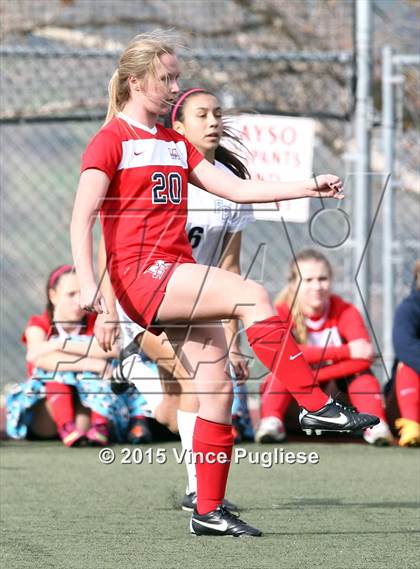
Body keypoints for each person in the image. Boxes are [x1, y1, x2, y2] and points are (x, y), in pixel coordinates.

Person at [70, 32, 379, 537]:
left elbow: (235, 188)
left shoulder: (172, 143)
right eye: (165, 78)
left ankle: (207, 511)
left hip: (173, 271)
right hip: (141, 276)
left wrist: (308, 184)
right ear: (134, 81)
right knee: (251, 294)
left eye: (176, 77)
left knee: (217, 392)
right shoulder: (111, 141)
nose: (174, 87)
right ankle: (317, 406)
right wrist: (91, 289)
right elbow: (80, 219)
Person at [95, 87, 255, 515]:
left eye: (217, 113)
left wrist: (235, 341)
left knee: (172, 410)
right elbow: (116, 245)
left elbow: (230, 271)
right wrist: (108, 311)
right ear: (178, 128)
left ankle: (134, 373)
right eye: (202, 114)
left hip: (196, 306)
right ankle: (197, 492)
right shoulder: (159, 172)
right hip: (146, 303)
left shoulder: (228, 187)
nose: (214, 121)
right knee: (198, 385)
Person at [256, 249, 393, 445]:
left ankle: (375, 426)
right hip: (298, 406)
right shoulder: (281, 311)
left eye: (323, 279)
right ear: (293, 284)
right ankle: (271, 423)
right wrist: (346, 351)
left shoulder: (345, 311)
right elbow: (282, 355)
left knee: (361, 373)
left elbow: (364, 357)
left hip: (336, 401)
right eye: (308, 280)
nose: (317, 286)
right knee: (283, 370)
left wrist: (314, 377)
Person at [6, 265, 116, 446]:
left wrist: (59, 346)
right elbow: (37, 357)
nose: (79, 300)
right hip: (47, 404)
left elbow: (111, 349)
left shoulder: (95, 321)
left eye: (83, 293)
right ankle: (66, 425)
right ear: (53, 295)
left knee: (94, 382)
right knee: (57, 373)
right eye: (71, 294)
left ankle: (94, 427)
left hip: (83, 399)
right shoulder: (39, 323)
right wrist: (94, 364)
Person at [392, 260, 420, 447]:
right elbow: (404, 346)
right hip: (409, 389)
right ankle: (411, 425)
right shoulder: (408, 309)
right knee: (406, 364)